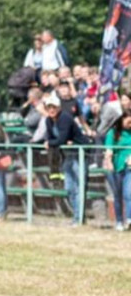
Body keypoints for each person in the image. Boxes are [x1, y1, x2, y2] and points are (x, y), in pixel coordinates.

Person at [44, 93, 91, 225]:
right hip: (67, 155)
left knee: (79, 186)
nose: (51, 110)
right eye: (49, 107)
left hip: (79, 154)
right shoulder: (48, 121)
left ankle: (79, 218)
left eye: (53, 107)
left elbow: (60, 139)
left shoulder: (65, 118)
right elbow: (52, 138)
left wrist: (51, 143)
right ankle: (76, 216)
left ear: (59, 107)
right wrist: (54, 142)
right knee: (69, 187)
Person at [102, 112, 131, 231]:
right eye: (129, 122)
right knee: (117, 195)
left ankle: (129, 218)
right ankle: (119, 221)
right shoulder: (113, 133)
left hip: (128, 168)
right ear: (121, 120)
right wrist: (109, 161)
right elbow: (108, 149)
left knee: (129, 193)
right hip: (115, 167)